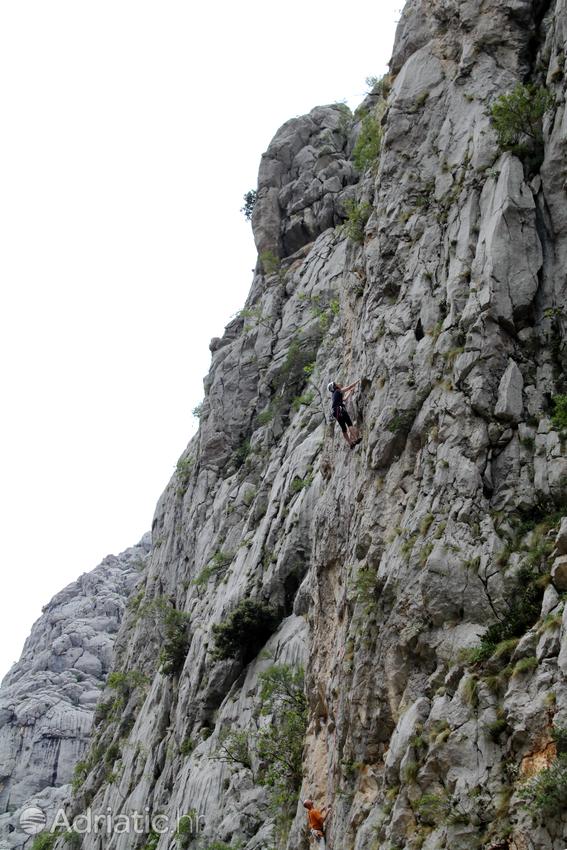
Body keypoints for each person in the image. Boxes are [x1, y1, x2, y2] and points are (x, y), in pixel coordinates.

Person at [328, 380, 361, 448]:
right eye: (335, 384)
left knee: (344, 429)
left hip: (335, 412)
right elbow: (349, 387)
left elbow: (344, 399)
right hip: (340, 410)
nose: (337, 384)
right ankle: (356, 439)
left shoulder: (334, 394)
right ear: (334, 387)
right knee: (349, 424)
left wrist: (350, 392)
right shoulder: (338, 391)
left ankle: (350, 443)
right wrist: (357, 381)